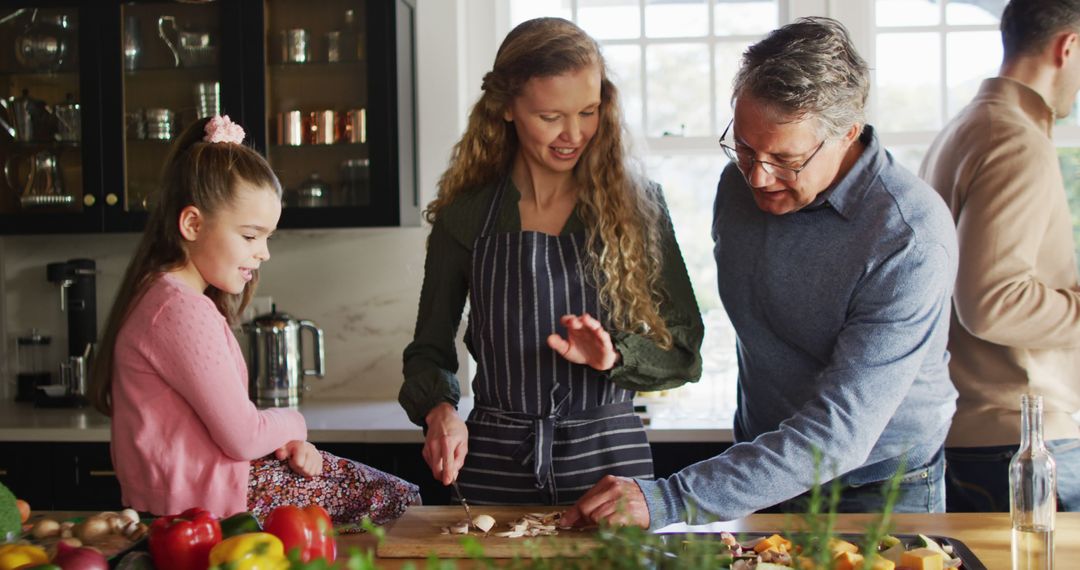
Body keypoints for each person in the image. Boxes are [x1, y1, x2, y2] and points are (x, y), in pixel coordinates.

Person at [563, 17, 959, 529]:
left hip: (878, 486)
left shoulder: (907, 235)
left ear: (848, 133)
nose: (757, 176)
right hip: (762, 471)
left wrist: (669, 498)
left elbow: (842, 433)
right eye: (745, 147)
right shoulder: (738, 188)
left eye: (785, 159)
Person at [400, 17, 704, 505]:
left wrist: (615, 356)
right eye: (550, 117)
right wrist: (440, 412)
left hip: (611, 471)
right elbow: (428, 350)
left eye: (588, 111)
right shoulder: (467, 215)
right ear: (505, 109)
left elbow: (685, 352)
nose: (574, 134)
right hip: (494, 466)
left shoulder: (638, 207)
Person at [90, 115, 419, 522]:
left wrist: (281, 441)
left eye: (267, 237)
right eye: (250, 235)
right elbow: (242, 436)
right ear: (192, 223)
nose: (263, 252)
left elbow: (215, 433)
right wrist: (295, 424)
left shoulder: (159, 297)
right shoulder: (181, 310)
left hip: (194, 499)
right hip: (215, 506)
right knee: (401, 503)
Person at [919, 0, 1080, 513]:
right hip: (1022, 435)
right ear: (1068, 46)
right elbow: (993, 303)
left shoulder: (965, 128)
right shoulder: (1016, 139)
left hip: (978, 434)